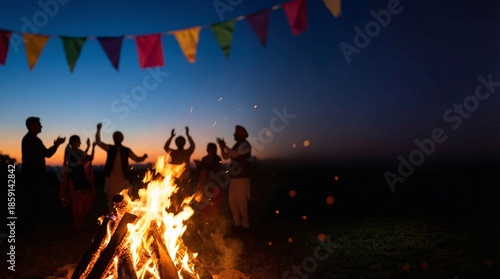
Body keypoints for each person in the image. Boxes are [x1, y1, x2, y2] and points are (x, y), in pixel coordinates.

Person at [20, 116, 65, 236]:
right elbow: (45, 154)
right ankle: (27, 231)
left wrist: (56, 145)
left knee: (38, 201)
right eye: (39, 124)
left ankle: (31, 228)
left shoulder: (35, 140)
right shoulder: (30, 140)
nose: (41, 126)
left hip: (36, 176)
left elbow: (47, 154)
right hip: (31, 177)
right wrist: (56, 146)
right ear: (32, 126)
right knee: (32, 202)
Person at [95, 123, 148, 212]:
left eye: (119, 137)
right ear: (114, 139)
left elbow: (136, 158)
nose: (117, 138)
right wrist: (98, 129)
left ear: (122, 139)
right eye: (116, 137)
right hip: (111, 178)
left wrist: (143, 157)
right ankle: (112, 218)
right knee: (111, 198)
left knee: (126, 197)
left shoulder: (126, 150)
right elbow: (98, 142)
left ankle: (124, 216)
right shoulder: (110, 148)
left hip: (123, 178)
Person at [217, 125, 252, 230]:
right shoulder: (237, 145)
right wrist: (222, 147)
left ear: (240, 135)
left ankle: (245, 225)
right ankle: (237, 224)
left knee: (241, 202)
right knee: (232, 200)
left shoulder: (245, 145)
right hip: (234, 178)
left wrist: (225, 146)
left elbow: (235, 155)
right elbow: (226, 156)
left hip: (242, 178)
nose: (234, 135)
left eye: (235, 133)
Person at [59, 136, 96, 229]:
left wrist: (92, 147)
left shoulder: (79, 151)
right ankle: (76, 221)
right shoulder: (69, 151)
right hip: (75, 178)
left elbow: (89, 158)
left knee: (86, 198)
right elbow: (80, 161)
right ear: (73, 142)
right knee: (77, 201)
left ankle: (81, 219)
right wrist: (87, 151)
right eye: (78, 141)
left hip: (82, 177)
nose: (79, 143)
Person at [194, 143, 223, 233]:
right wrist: (199, 166)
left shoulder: (217, 159)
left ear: (215, 150)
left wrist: (202, 165)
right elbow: (202, 172)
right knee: (204, 207)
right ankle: (206, 226)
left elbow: (214, 169)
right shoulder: (204, 159)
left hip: (214, 186)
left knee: (213, 206)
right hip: (205, 185)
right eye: (209, 149)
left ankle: (215, 226)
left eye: (212, 149)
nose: (210, 150)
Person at [163, 127, 195, 205]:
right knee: (174, 197)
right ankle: (175, 212)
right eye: (178, 141)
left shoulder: (186, 152)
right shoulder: (173, 152)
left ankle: (185, 213)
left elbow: (192, 146)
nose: (180, 143)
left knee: (186, 198)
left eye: (181, 141)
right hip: (175, 178)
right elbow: (166, 147)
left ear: (184, 143)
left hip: (185, 179)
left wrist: (188, 135)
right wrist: (171, 136)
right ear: (176, 143)